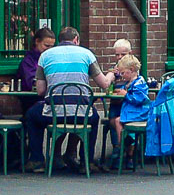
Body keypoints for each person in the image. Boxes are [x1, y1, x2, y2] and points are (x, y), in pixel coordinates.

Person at [23, 26, 113, 172]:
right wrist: (111, 75)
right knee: (94, 118)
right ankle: (86, 162)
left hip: (54, 113)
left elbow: (40, 90)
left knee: (32, 116)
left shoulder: (45, 56)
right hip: (81, 113)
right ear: (76, 39)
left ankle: (36, 160)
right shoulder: (87, 54)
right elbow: (104, 84)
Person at [105, 54, 152, 168]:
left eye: (123, 73)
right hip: (133, 111)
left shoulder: (140, 83)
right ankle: (127, 144)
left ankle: (124, 147)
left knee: (118, 121)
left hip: (140, 112)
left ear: (131, 70)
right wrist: (121, 91)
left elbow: (138, 99)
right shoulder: (132, 82)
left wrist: (125, 95)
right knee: (117, 121)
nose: (122, 75)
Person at [17, 26, 55, 91]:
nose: (49, 49)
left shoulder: (52, 59)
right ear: (37, 41)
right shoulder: (28, 61)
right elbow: (32, 82)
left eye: (51, 47)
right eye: (46, 45)